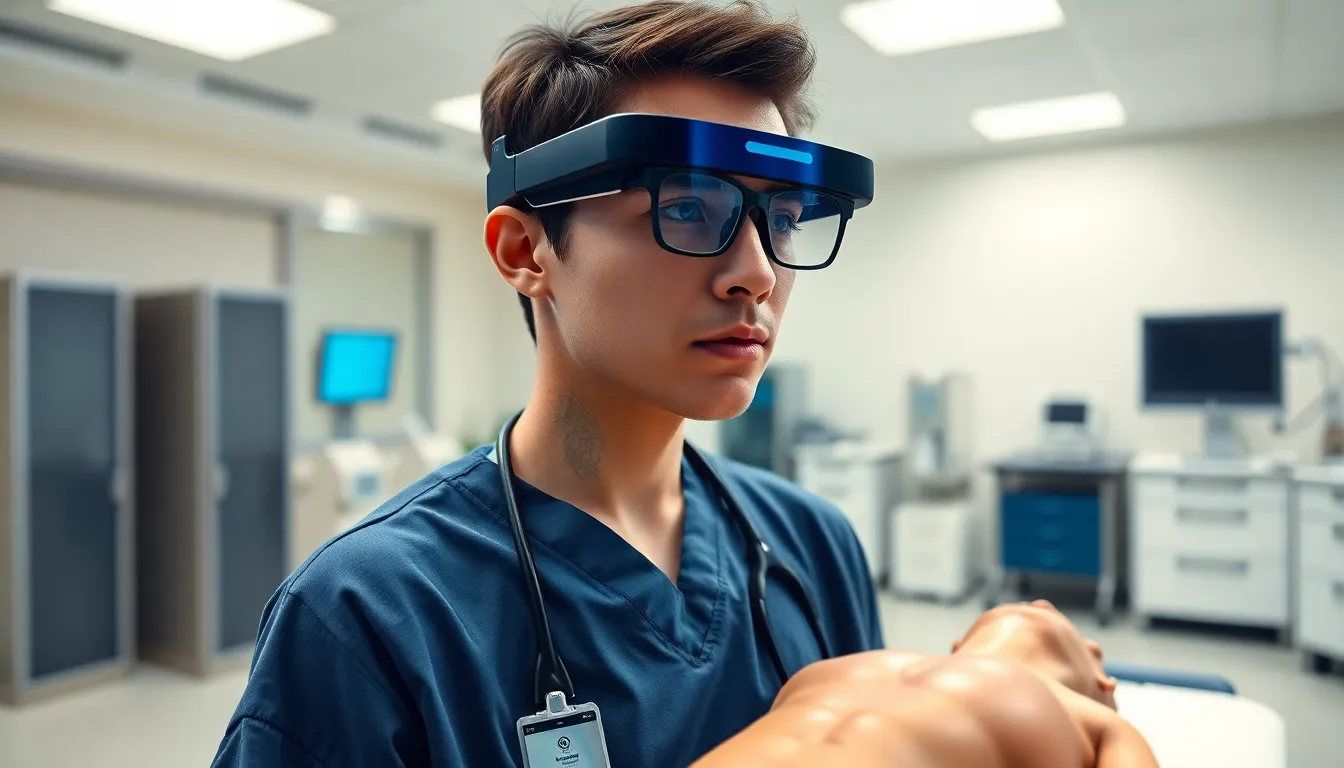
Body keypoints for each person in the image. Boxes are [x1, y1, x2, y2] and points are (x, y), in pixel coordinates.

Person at [213, 2, 888, 766]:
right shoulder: (368, 614)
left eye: (787, 218)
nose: (758, 274)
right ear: (524, 251)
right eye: (690, 209)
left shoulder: (812, 545)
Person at [691, 601, 1159, 768]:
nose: (1037, 602)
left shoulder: (1088, 721)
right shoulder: (858, 669)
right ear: (958, 646)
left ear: (1101, 678)